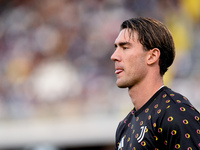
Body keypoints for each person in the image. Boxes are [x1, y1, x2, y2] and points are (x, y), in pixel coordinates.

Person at [111, 17, 200, 150]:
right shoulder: (124, 126)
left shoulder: (175, 112)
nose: (114, 56)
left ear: (152, 56)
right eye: (116, 47)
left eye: (125, 47)